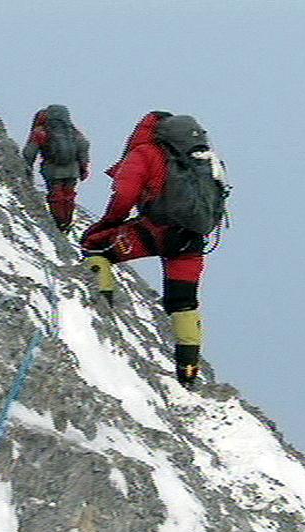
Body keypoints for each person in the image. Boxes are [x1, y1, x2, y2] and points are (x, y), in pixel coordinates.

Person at [80, 111, 228, 386]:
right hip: (192, 240)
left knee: (96, 249)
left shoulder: (146, 153)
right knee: (183, 301)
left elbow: (124, 196)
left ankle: (102, 306)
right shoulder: (206, 161)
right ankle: (188, 369)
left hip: (154, 231)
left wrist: (106, 226)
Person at [23, 104, 90, 232]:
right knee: (69, 195)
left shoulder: (41, 132)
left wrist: (27, 168)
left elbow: (29, 153)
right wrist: (83, 169)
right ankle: (67, 222)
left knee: (56, 195)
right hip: (72, 171)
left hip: (52, 169)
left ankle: (59, 223)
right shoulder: (74, 133)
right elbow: (83, 148)